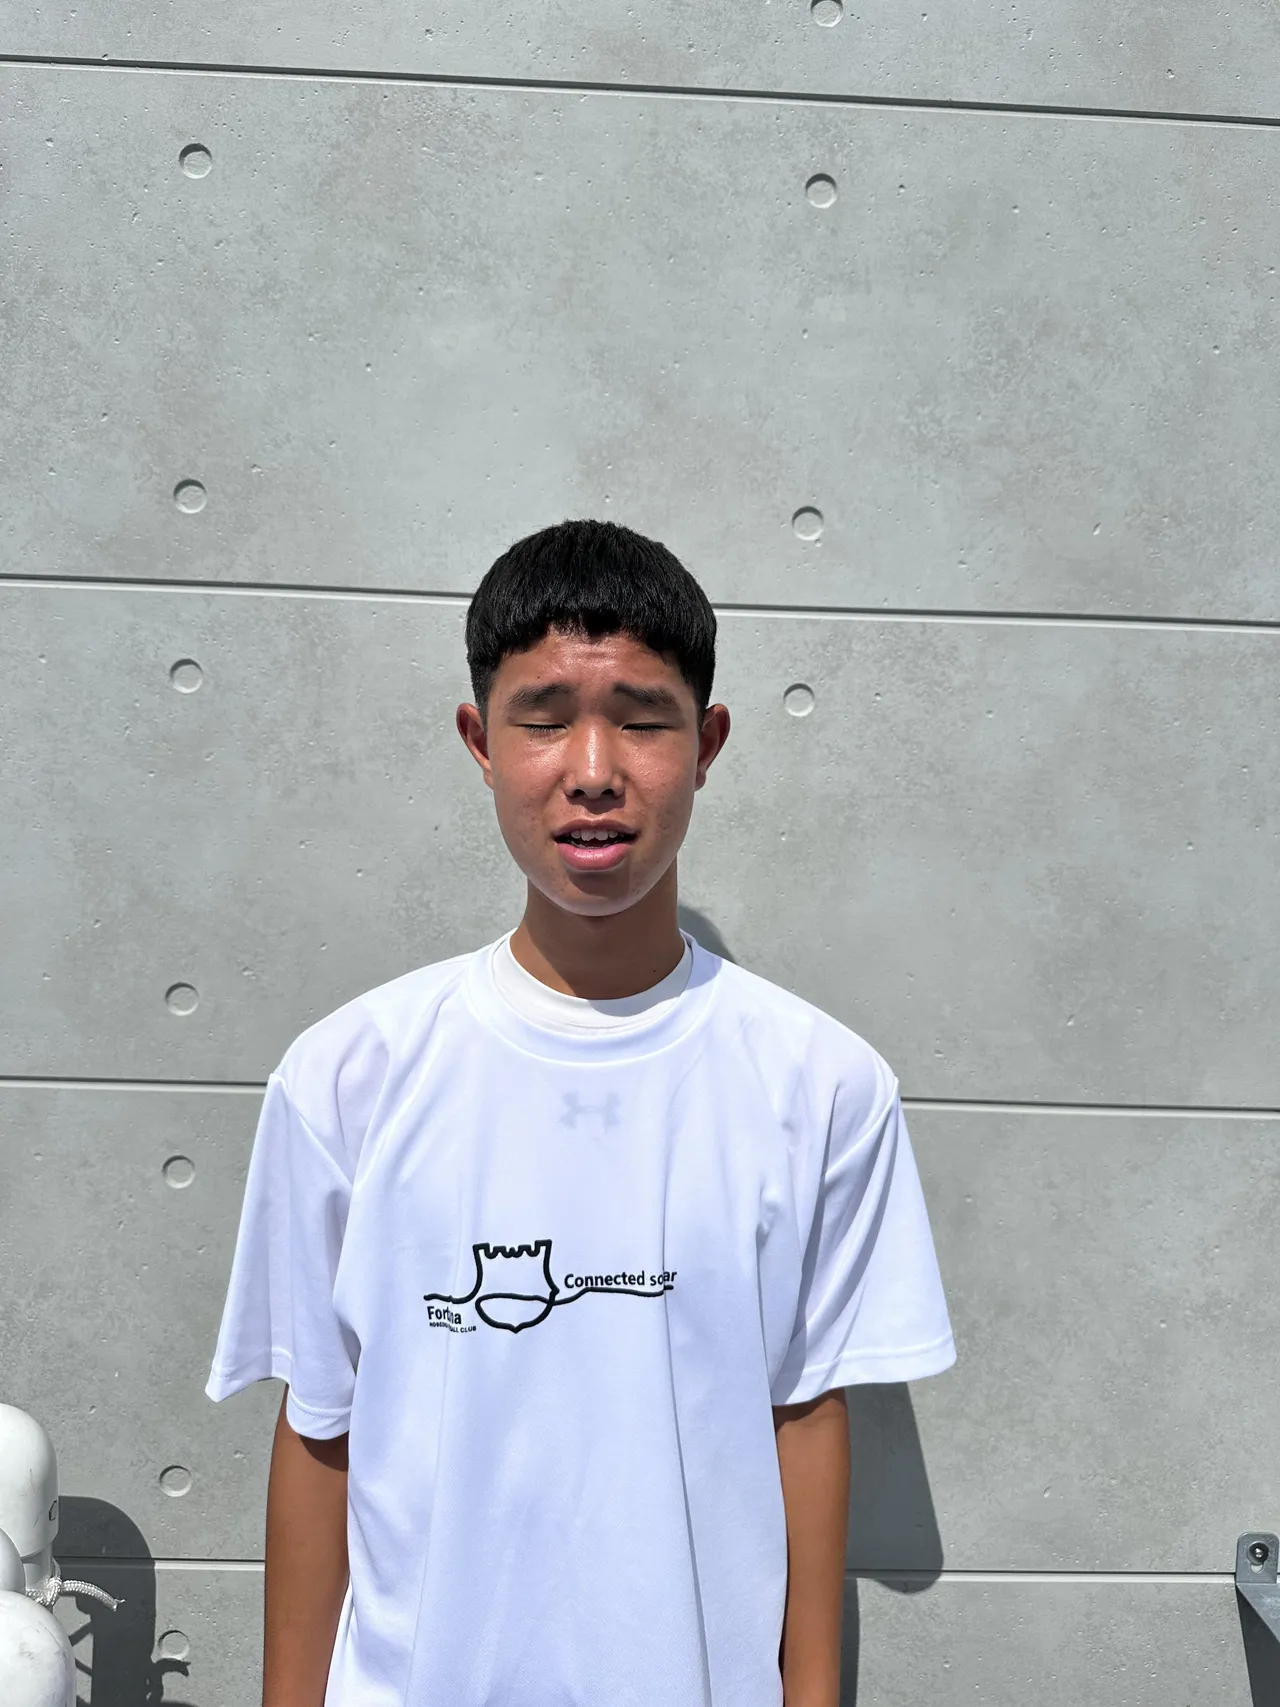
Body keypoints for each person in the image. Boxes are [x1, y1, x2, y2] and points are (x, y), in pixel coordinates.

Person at [205, 517, 955, 1707]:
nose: (593, 768)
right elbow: (320, 1429)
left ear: (706, 744)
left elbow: (804, 1419)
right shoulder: (348, 1075)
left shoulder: (820, 1085)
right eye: (543, 717)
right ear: (479, 741)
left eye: (643, 719)